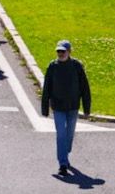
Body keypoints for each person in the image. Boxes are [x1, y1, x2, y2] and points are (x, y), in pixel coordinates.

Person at [42, 39, 92, 177]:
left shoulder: (77, 66)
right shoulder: (52, 67)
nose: (60, 54)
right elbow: (47, 88)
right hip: (58, 107)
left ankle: (65, 153)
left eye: (63, 51)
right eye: (58, 51)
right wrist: (45, 108)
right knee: (61, 135)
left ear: (69, 52)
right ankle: (62, 164)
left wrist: (87, 108)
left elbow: (85, 88)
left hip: (73, 107)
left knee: (69, 135)